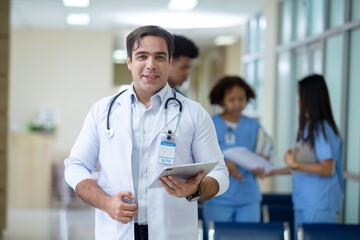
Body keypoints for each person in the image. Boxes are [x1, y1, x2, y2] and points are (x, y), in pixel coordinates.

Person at [64, 25, 229, 240]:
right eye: (142, 56)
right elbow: (75, 166)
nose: (151, 65)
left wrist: (195, 190)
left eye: (159, 57)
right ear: (130, 61)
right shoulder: (103, 110)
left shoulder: (194, 113)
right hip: (116, 229)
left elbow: (220, 174)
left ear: (170, 62)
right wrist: (106, 203)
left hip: (171, 231)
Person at [265, 74, 344, 238]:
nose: (298, 101)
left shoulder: (321, 129)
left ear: (311, 98)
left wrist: (294, 164)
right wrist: (271, 172)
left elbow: (327, 168)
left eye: (300, 96)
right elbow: (303, 167)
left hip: (319, 204)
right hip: (305, 203)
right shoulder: (309, 128)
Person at [203, 76, 270, 228]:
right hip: (218, 197)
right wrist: (224, 165)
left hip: (248, 198)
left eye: (241, 99)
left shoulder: (254, 126)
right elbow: (198, 159)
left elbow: (266, 151)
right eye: (232, 99)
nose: (237, 104)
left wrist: (262, 162)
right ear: (221, 100)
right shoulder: (209, 124)